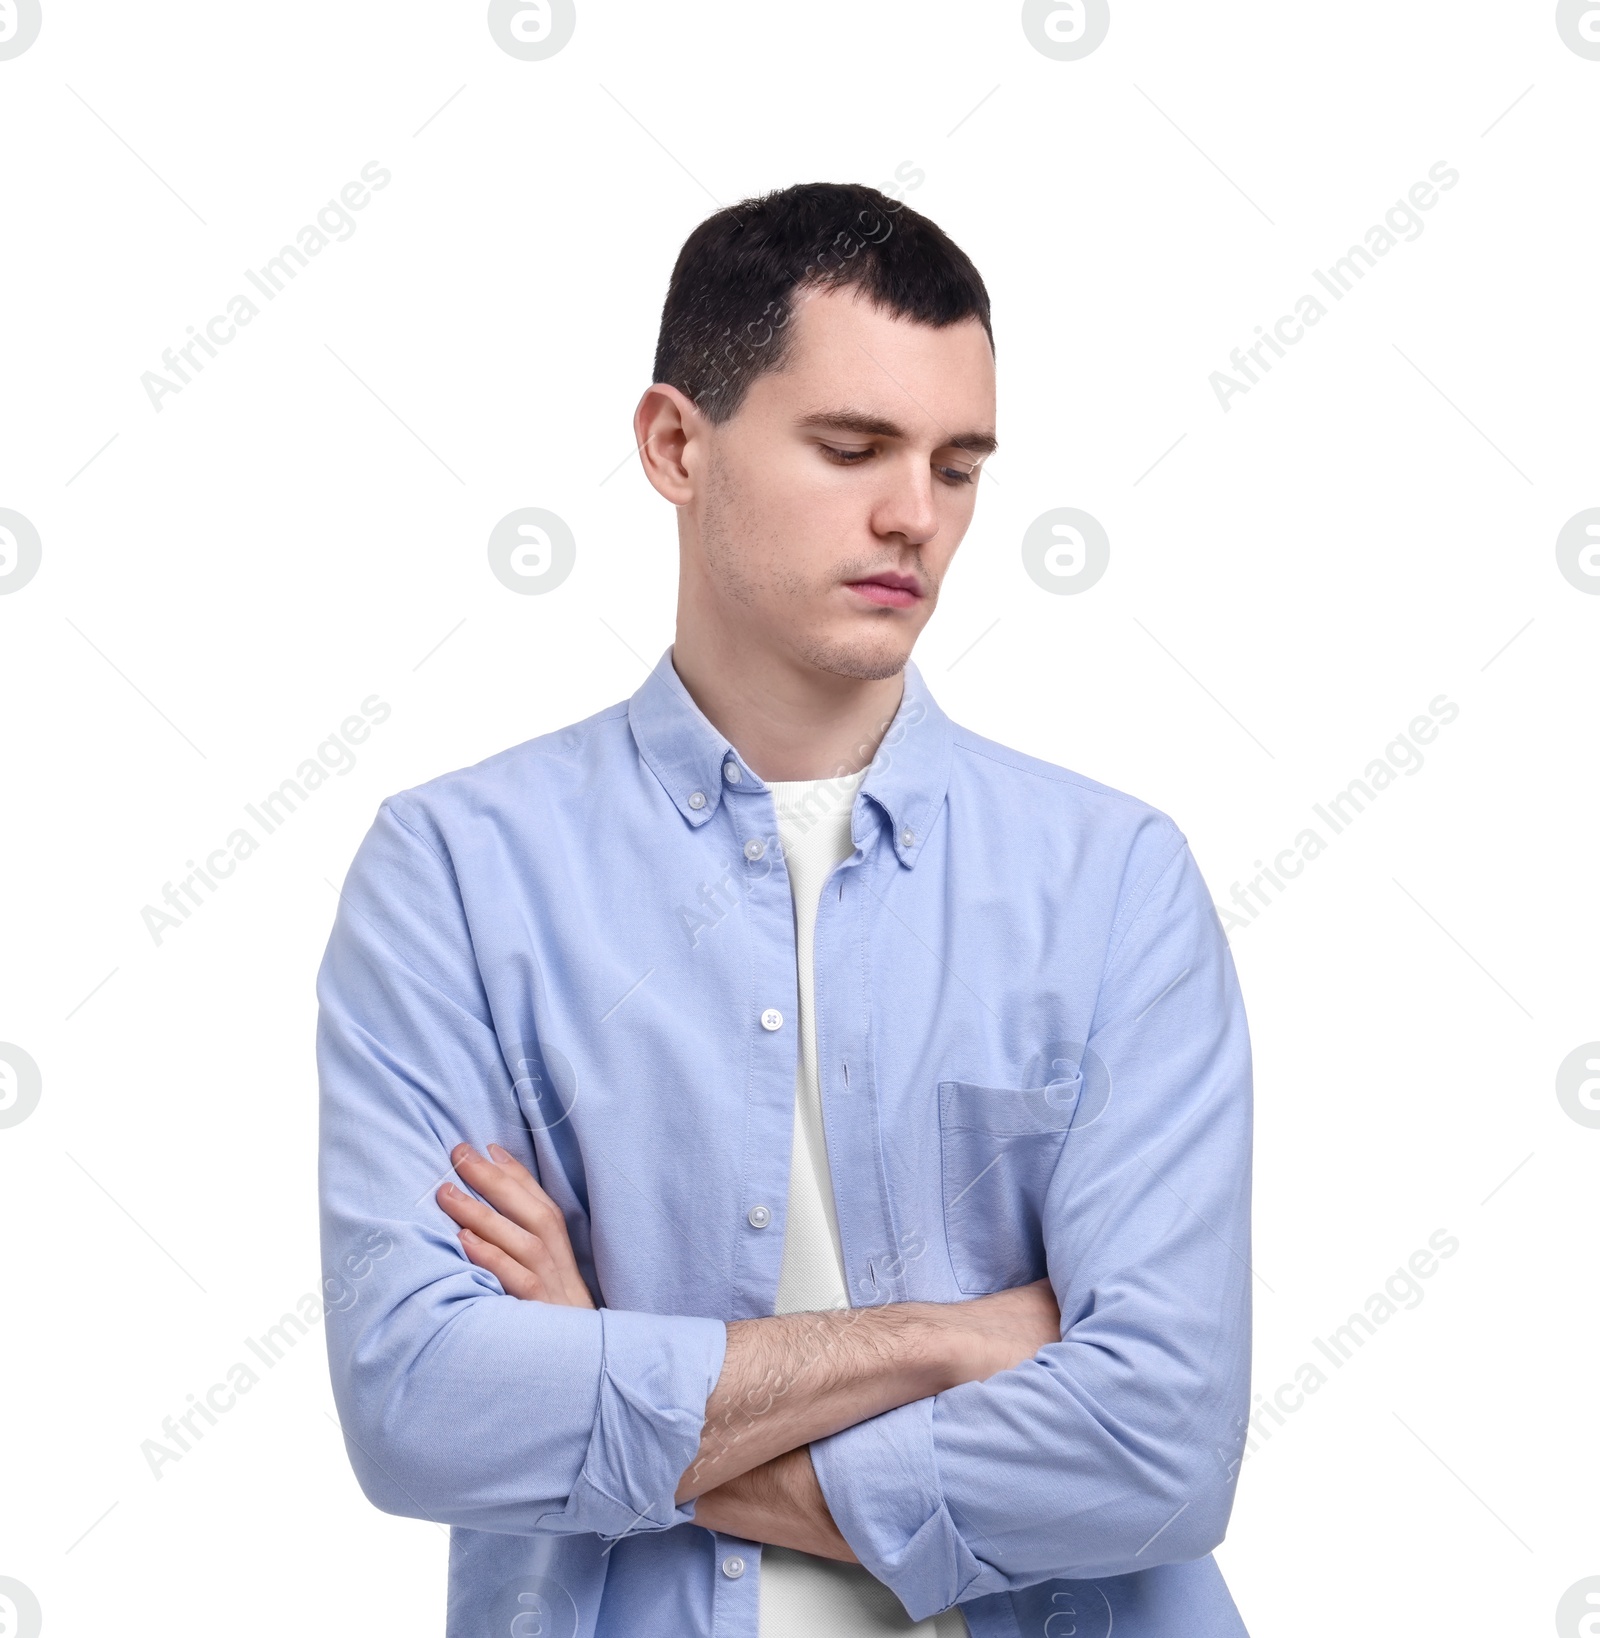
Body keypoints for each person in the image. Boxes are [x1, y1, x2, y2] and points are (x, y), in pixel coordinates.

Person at [317, 182, 1254, 1638]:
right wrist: (953, 1338)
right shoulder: (454, 872)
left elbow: (1165, 1446)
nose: (915, 517)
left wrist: (606, 1379)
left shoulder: (1115, 879)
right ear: (675, 444)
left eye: (959, 464)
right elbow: (423, 1407)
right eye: (852, 447)